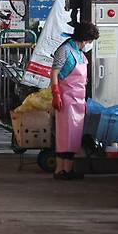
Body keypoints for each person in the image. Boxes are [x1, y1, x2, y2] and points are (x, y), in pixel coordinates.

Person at [50, 21, 100, 180]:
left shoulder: (80, 53)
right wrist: (56, 92)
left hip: (78, 101)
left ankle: (66, 170)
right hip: (65, 100)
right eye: (90, 41)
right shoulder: (64, 50)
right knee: (64, 136)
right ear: (85, 39)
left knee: (73, 137)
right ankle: (61, 170)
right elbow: (54, 73)